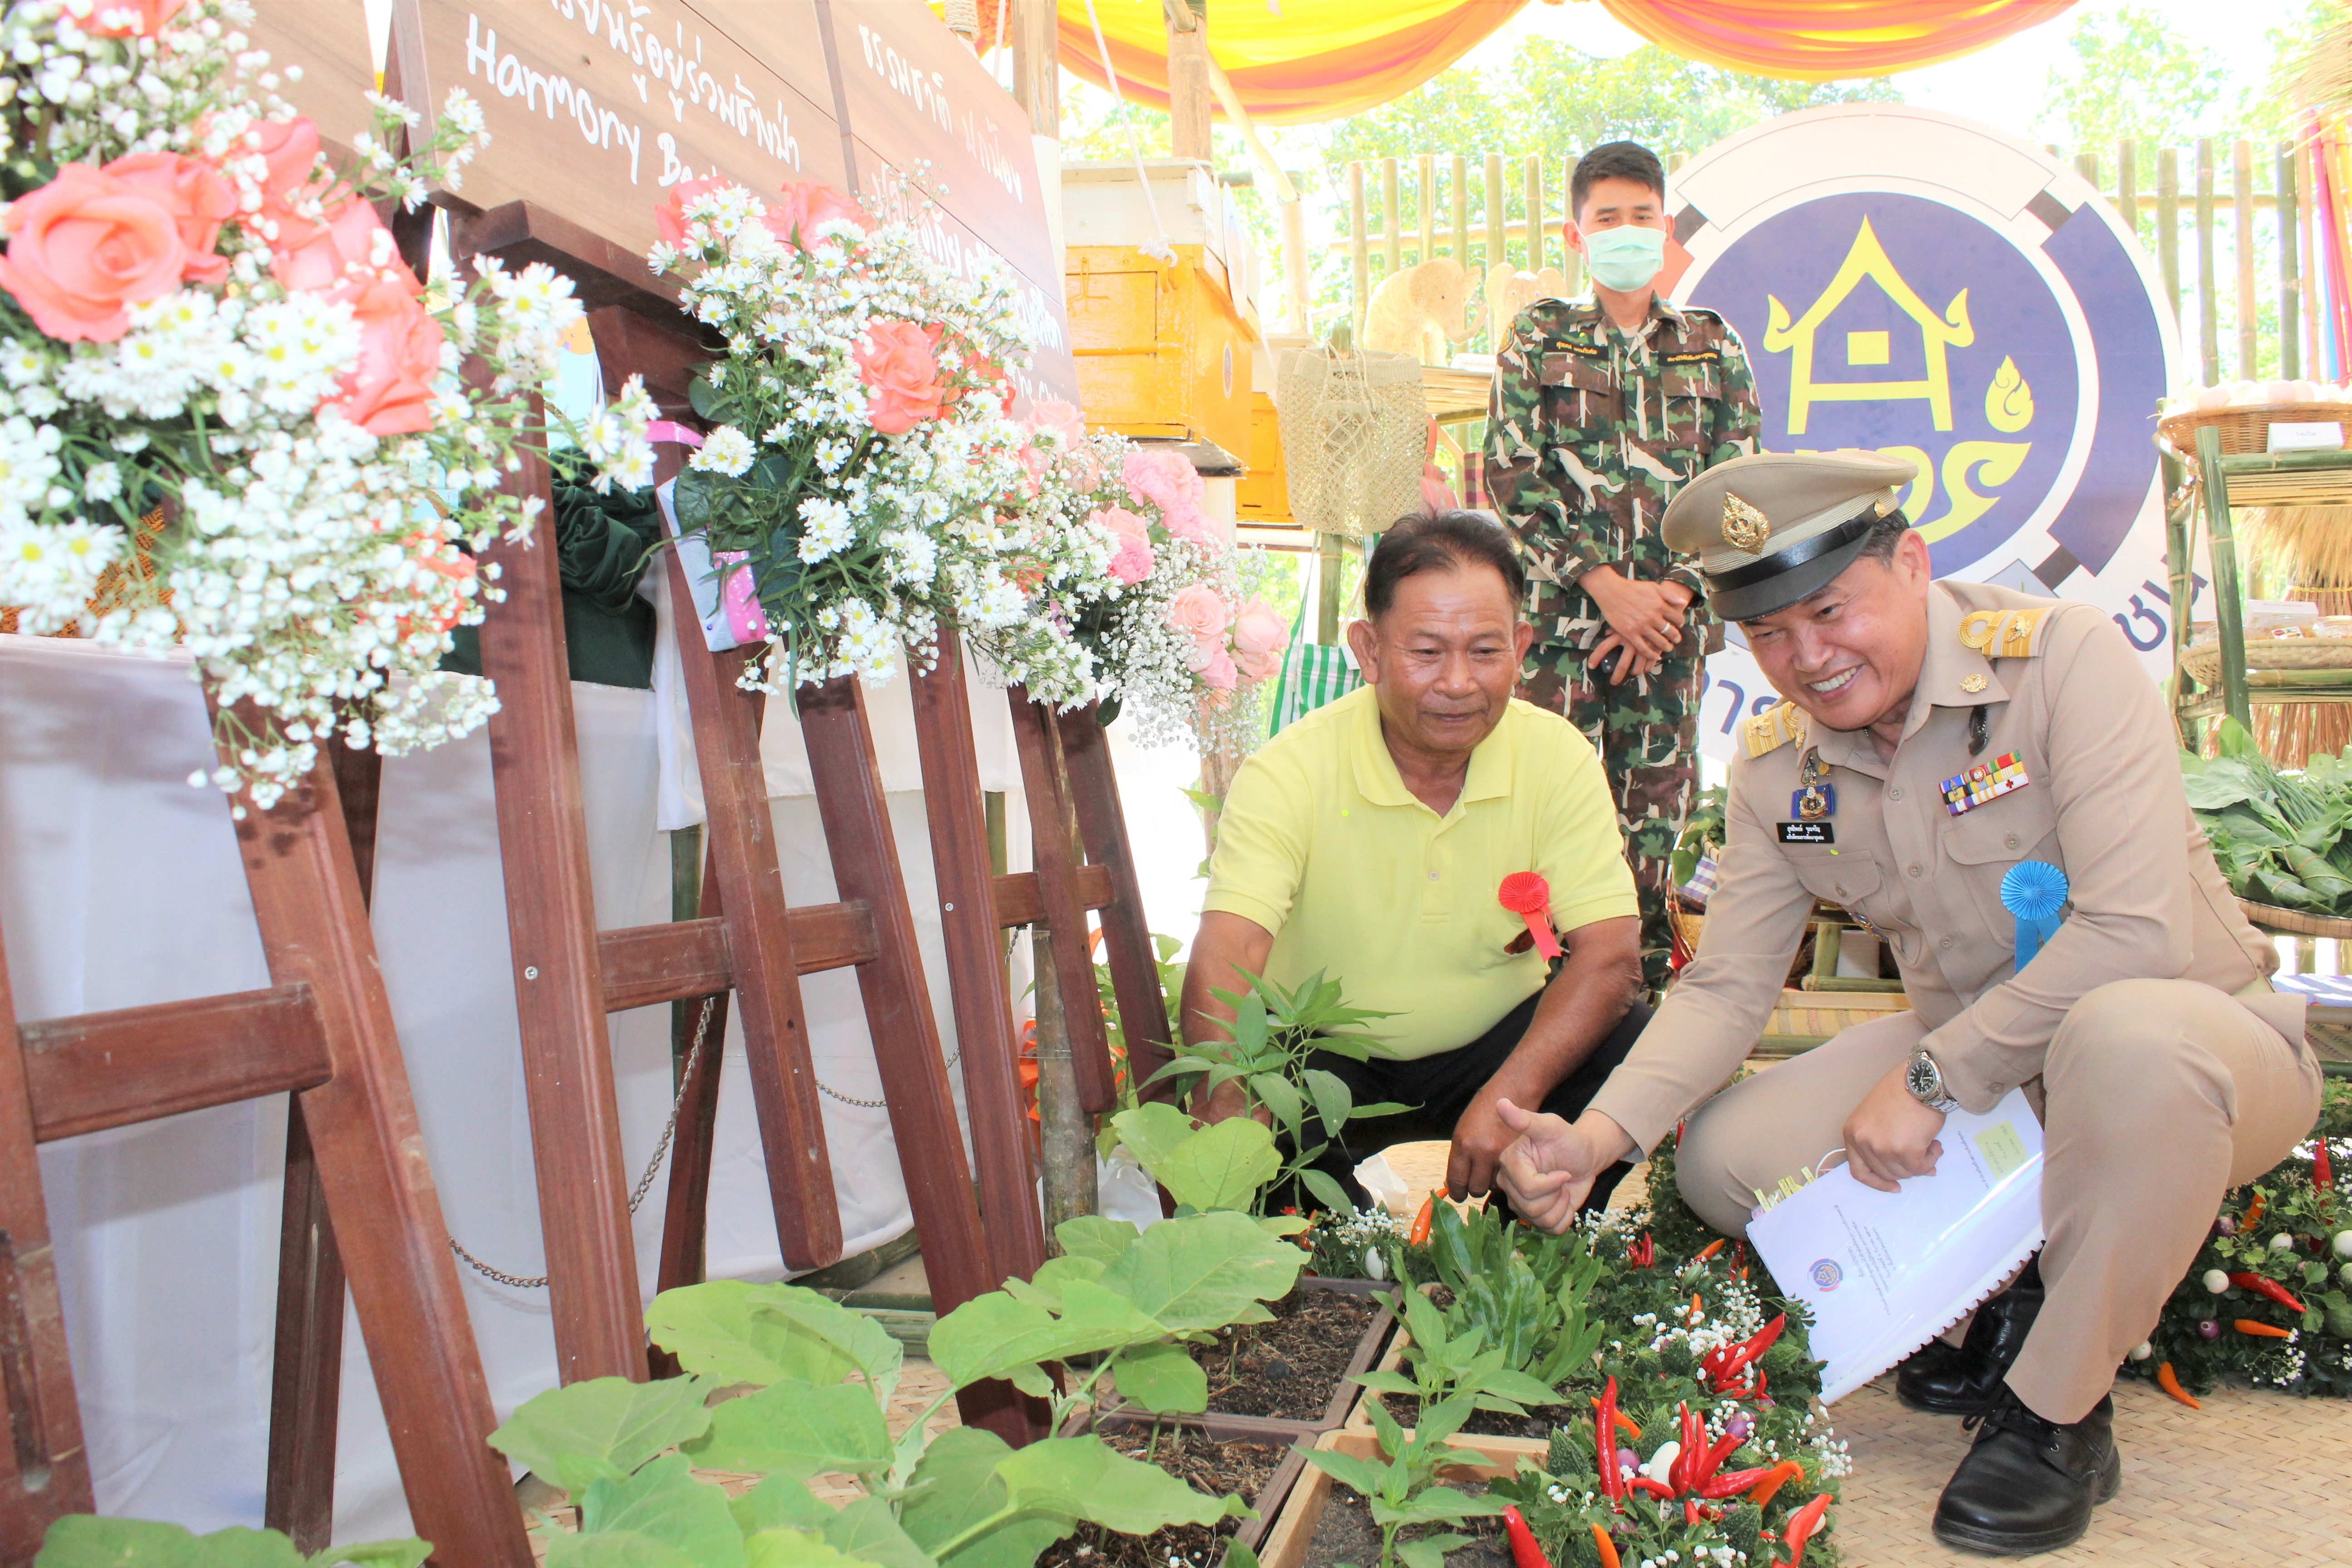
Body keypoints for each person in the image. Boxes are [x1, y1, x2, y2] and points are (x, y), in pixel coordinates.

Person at [1493, 450, 2322, 1556]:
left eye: (1831, 610)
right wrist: (1595, 1142)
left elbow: (2133, 933)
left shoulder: (2061, 665)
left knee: (2128, 1040)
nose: (1809, 659)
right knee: (1725, 1157)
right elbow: (1732, 984)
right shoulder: (1780, 771)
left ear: (1914, 564)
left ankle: (2055, 1414)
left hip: (2192, 1042)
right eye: (1770, 635)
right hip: (1985, 1058)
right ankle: (2002, 1297)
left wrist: (1933, 1078)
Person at [1185, 510, 1648, 1206]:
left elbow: (1610, 956)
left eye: (1486, 652)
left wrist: (1507, 1098)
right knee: (1315, 1229)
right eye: (1426, 652)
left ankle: (1558, 1250)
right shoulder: (1292, 771)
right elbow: (1231, 949)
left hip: (1500, 1063)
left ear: (1521, 646)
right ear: (1368, 650)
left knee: (1637, 1042)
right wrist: (1225, 1098)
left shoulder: (1556, 757)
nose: (1459, 682)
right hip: (1328, 1068)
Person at [1484, 141, 1760, 996]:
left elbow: (1739, 490)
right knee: (1546, 817)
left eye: (1643, 217)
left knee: (1651, 831)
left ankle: (1632, 1010)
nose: (1627, 232)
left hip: (1668, 641)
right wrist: (1608, 588)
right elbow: (1510, 474)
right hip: (1566, 636)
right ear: (1578, 233)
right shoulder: (1540, 337)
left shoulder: (1711, 346)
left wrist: (1669, 599)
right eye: (1609, 218)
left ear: (1666, 229)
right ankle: (1533, 1007)